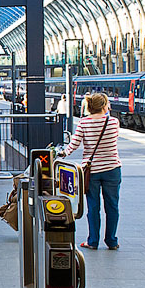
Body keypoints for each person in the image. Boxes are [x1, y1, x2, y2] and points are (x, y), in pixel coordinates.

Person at [59, 92, 121, 250]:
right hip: (112, 169)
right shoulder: (114, 122)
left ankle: (93, 241)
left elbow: (74, 143)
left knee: (93, 207)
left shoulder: (83, 123)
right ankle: (112, 241)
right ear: (104, 105)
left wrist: (63, 153)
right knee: (112, 206)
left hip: (90, 170)